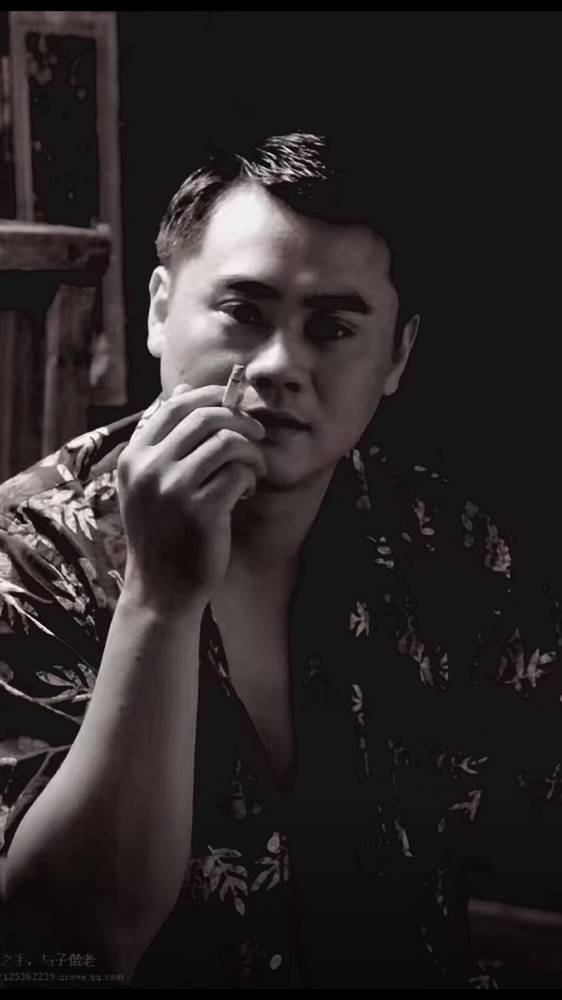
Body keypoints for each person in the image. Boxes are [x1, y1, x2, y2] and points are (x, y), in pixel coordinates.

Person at [0, 132, 561, 989]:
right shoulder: (29, 556)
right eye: (244, 312)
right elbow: (70, 944)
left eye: (332, 328)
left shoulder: (445, 548)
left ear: (397, 357)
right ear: (158, 311)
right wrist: (158, 600)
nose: (279, 367)